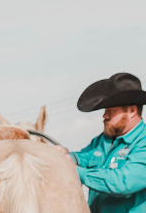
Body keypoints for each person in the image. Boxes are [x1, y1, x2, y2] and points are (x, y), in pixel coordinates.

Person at [54, 72, 146, 213]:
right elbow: (85, 156)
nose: (105, 115)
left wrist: (76, 171)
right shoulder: (103, 140)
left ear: (132, 111)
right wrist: (66, 157)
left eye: (111, 110)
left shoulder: (143, 142)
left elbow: (123, 183)